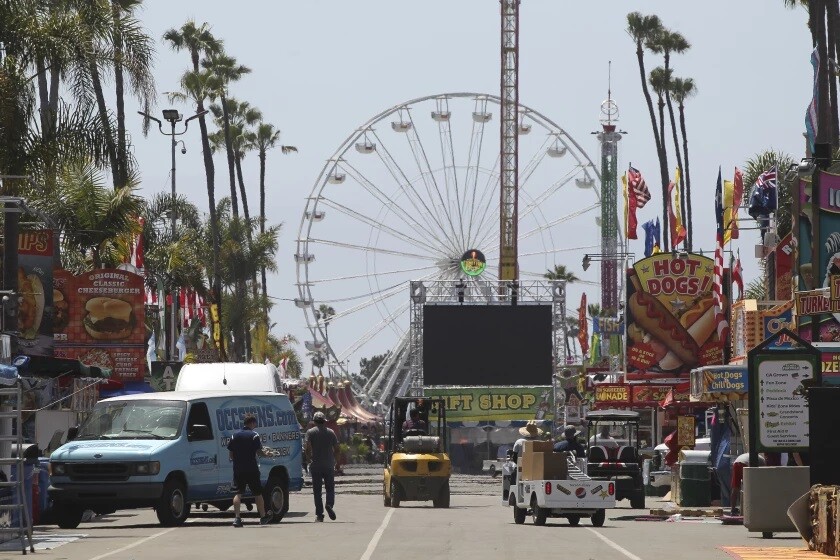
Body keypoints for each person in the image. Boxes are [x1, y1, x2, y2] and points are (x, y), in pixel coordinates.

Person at [227, 413, 272, 527]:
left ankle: (237, 518)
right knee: (257, 493)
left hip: (238, 469)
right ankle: (262, 517)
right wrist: (267, 454)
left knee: (238, 493)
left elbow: (231, 455)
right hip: (252, 468)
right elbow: (259, 452)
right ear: (252, 423)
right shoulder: (254, 435)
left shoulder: (234, 435)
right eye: (255, 423)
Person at [305, 411, 339, 522]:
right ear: (324, 421)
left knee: (317, 491)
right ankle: (329, 504)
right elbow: (337, 448)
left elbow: (308, 447)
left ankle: (319, 515)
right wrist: (336, 461)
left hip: (316, 465)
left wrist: (308, 458)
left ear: (314, 421)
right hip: (329, 465)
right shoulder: (331, 432)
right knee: (330, 489)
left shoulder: (310, 432)